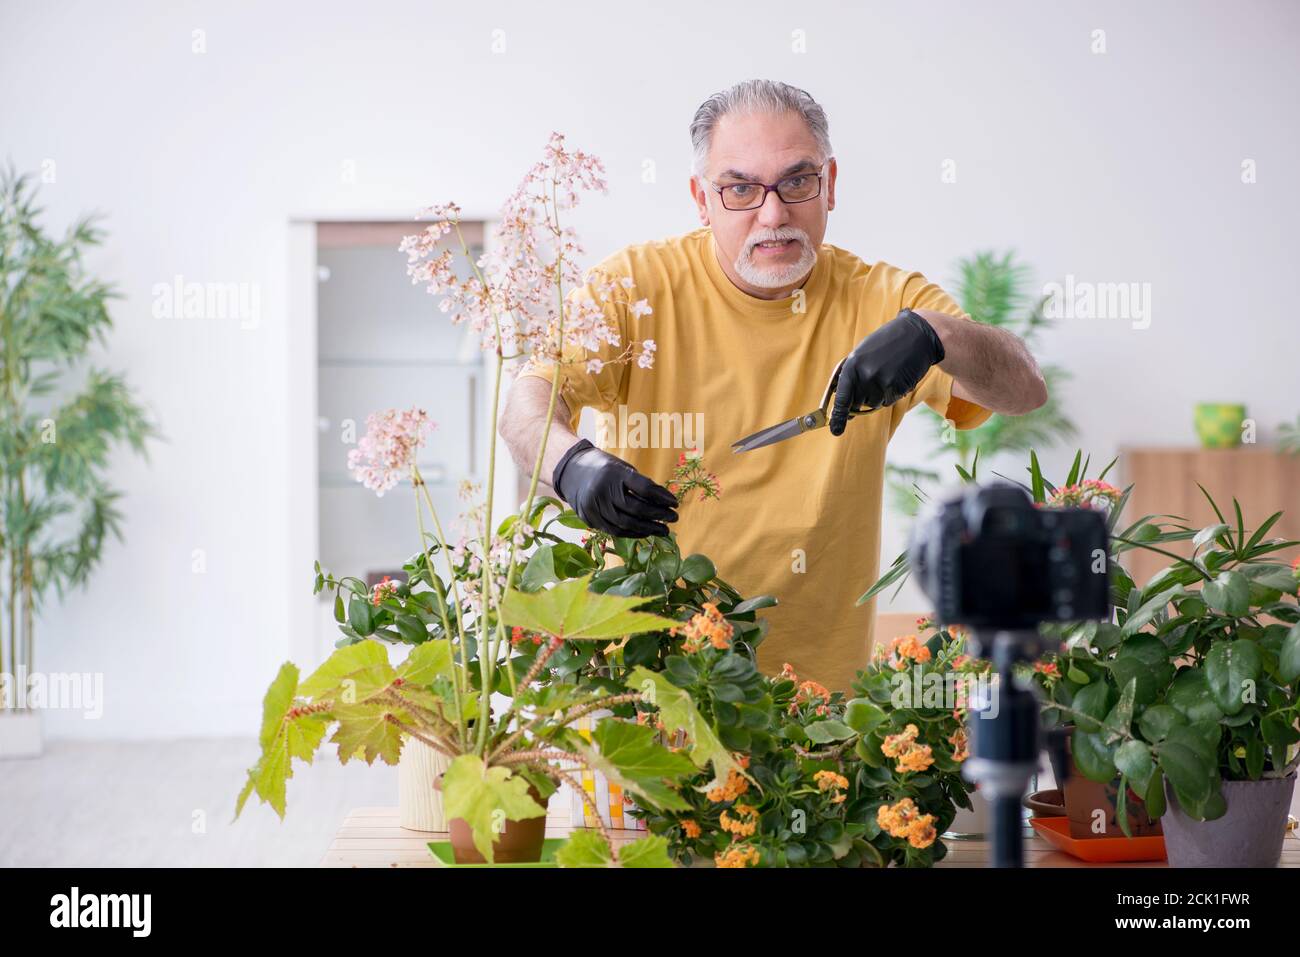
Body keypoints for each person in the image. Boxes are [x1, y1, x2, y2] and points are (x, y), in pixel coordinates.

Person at [499, 79, 1047, 692]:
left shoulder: (884, 299)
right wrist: (571, 465)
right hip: (649, 685)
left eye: (796, 180)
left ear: (829, 184)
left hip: (820, 703)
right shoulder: (630, 288)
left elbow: (1024, 388)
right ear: (701, 199)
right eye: (739, 188)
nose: (773, 213)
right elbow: (525, 406)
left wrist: (936, 335)